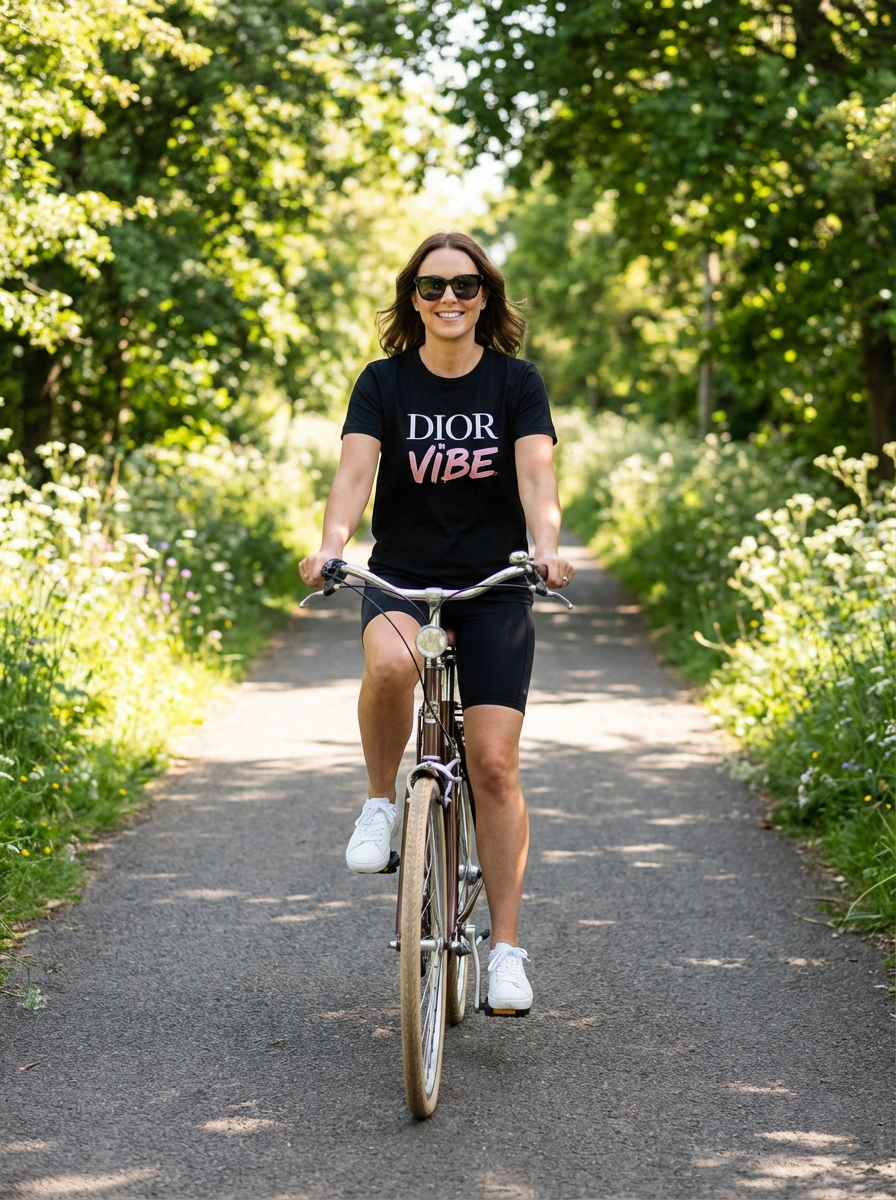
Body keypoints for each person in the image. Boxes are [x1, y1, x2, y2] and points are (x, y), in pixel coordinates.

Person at [299, 231, 574, 1016]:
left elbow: (537, 477)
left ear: (485, 297)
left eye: (463, 285)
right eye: (431, 286)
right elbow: (354, 473)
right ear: (413, 300)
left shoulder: (516, 382)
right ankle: (381, 803)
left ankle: (506, 952)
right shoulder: (382, 382)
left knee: (493, 766)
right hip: (403, 578)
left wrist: (545, 548)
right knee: (391, 666)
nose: (448, 298)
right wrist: (331, 547)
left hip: (492, 586)